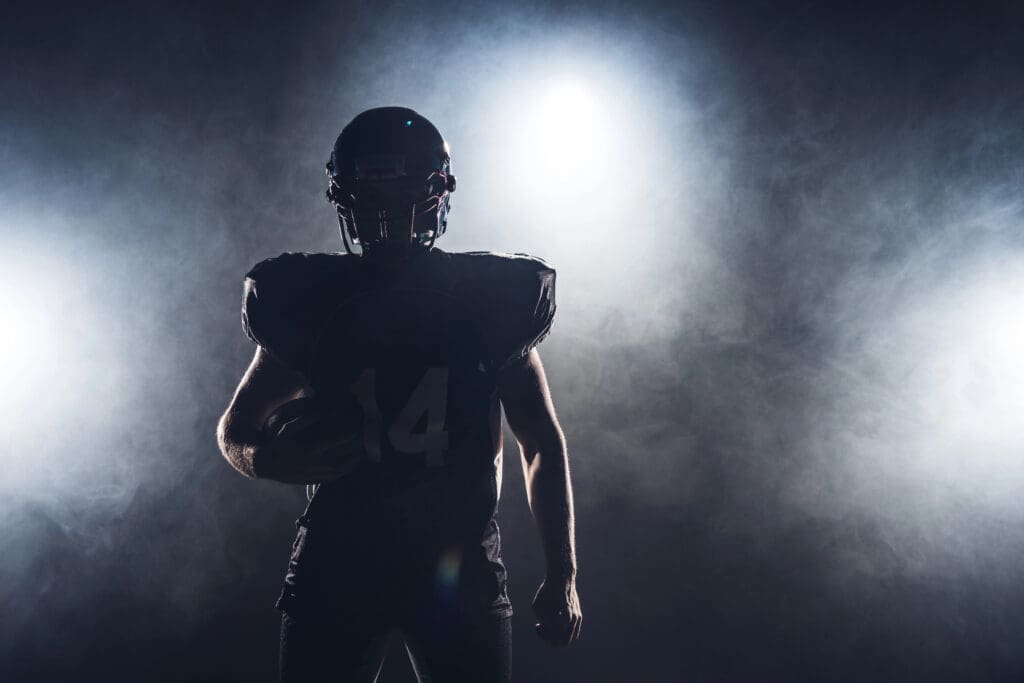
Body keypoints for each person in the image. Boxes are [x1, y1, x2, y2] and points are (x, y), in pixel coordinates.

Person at [216, 107, 581, 682]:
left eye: (404, 191)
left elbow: (539, 440)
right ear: (345, 198)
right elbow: (235, 429)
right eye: (373, 194)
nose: (388, 212)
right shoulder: (322, 304)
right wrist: (264, 458)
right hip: (339, 564)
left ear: (436, 191)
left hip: (456, 566)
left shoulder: (482, 303)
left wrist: (562, 572)